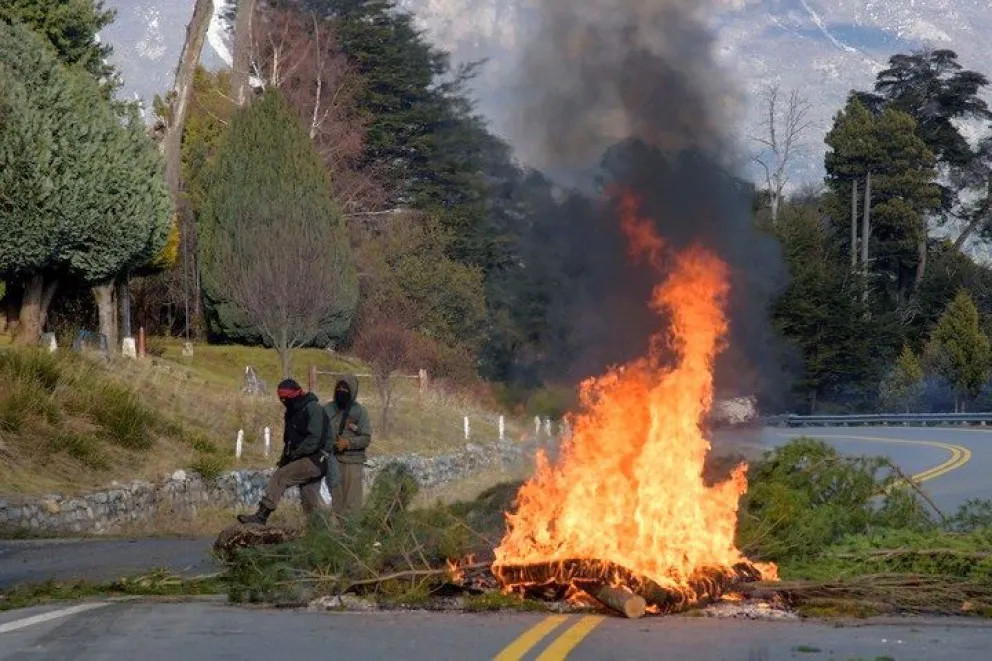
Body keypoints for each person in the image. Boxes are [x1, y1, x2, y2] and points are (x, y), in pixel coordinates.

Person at [237, 378, 334, 525]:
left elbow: (315, 439)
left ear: (295, 395)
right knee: (309, 497)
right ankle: (320, 530)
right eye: (281, 399)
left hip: (316, 458)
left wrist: (295, 455)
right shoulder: (292, 411)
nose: (284, 402)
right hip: (306, 458)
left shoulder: (313, 408)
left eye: (286, 398)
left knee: (280, 477)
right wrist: (285, 458)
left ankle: (261, 516)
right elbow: (289, 441)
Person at [325, 374, 372, 517]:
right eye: (339, 387)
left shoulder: (360, 411)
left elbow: (366, 438)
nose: (341, 390)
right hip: (333, 461)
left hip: (353, 463)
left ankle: (352, 535)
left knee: (352, 505)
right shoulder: (327, 409)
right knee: (337, 504)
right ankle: (337, 536)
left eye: (345, 388)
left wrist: (348, 443)